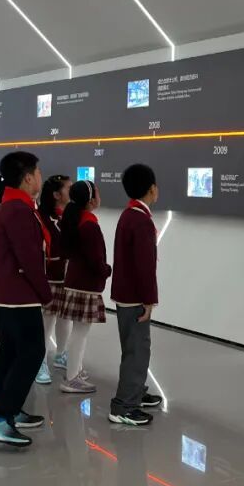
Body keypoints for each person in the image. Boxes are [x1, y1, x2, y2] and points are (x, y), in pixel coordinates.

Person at [0, 151, 52, 447]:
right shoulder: (18, 211)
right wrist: (45, 294)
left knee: (10, 351)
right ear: (27, 178)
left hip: (8, 292)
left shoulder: (13, 206)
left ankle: (7, 408)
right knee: (32, 352)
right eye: (38, 173)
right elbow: (30, 259)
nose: (40, 177)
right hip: (18, 294)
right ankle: (2, 418)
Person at [109, 163, 163, 426]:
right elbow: (145, 266)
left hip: (125, 293)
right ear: (152, 189)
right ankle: (124, 405)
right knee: (137, 351)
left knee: (133, 347)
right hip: (134, 297)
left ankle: (136, 391)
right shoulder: (141, 220)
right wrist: (149, 300)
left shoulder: (129, 215)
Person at [58, 179, 111, 394]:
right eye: (97, 193)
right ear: (91, 200)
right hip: (85, 284)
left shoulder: (75, 219)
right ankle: (72, 377)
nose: (100, 196)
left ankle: (74, 372)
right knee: (80, 333)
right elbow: (95, 259)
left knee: (78, 331)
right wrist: (106, 270)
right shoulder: (89, 224)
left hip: (76, 281)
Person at [37, 174, 72, 384]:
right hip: (49, 277)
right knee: (46, 320)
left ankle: (61, 353)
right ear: (57, 194)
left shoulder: (68, 216)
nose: (72, 191)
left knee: (65, 317)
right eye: (68, 188)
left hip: (66, 277)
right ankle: (39, 361)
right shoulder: (42, 218)